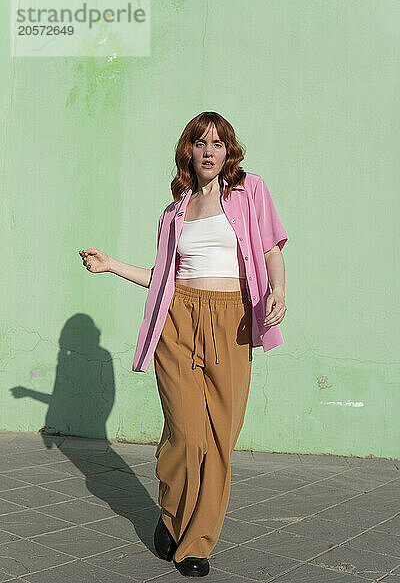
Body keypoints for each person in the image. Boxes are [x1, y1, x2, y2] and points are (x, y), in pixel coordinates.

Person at [78, 111, 288, 578]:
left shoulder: (250, 191)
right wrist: (113, 265)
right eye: (200, 143)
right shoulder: (175, 211)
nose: (209, 150)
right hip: (178, 321)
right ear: (188, 153)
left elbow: (271, 248)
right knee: (186, 433)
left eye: (218, 143)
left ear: (228, 151)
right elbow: (164, 281)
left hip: (232, 319)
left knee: (219, 442)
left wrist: (276, 289)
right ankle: (171, 514)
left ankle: (196, 543)